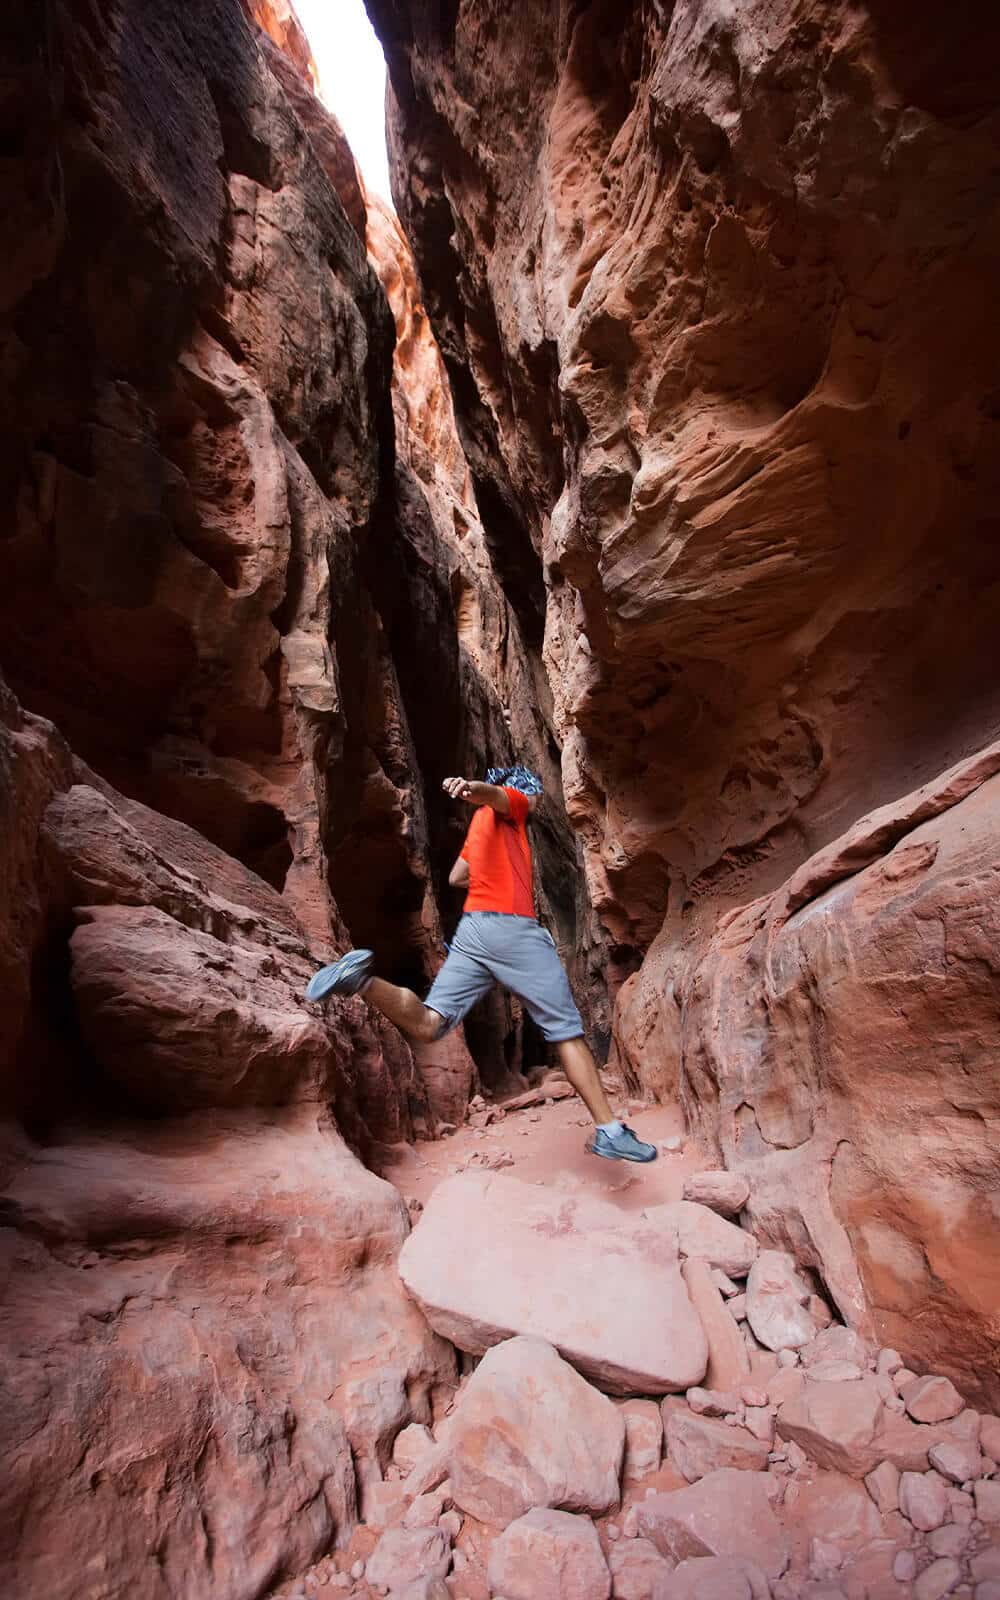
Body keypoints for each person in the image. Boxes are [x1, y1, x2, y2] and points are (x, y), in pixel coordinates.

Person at [305, 764, 657, 1163]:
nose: (537, 801)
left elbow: (458, 876)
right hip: (513, 929)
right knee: (566, 1031)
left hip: (474, 931)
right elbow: (499, 796)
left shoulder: (479, 831)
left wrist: (494, 870)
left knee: (430, 1023)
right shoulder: (513, 806)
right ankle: (610, 1132)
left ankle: (361, 980)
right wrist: (475, 789)